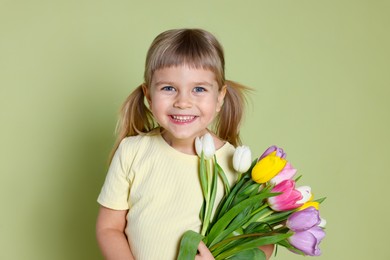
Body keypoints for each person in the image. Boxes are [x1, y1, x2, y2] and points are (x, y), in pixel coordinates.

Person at [96, 28, 274, 260]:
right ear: (148, 96)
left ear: (219, 98)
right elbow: (109, 229)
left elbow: (263, 242)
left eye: (198, 89)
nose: (182, 102)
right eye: (168, 88)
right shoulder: (132, 152)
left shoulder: (238, 167)